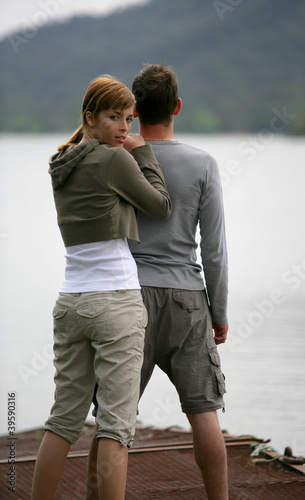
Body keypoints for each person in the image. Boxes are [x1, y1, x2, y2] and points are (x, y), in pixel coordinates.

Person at [88, 64, 229, 500]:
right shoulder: (203, 163)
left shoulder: (117, 156)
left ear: (133, 110)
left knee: (115, 418)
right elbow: (215, 249)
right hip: (188, 300)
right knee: (204, 411)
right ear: (178, 108)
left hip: (129, 298)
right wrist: (219, 313)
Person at [30, 74, 172, 500]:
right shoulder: (115, 160)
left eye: (129, 119)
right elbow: (161, 205)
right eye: (114, 117)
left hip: (71, 302)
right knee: (116, 425)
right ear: (90, 117)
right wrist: (143, 152)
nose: (124, 129)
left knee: (63, 421)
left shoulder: (62, 163)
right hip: (115, 303)